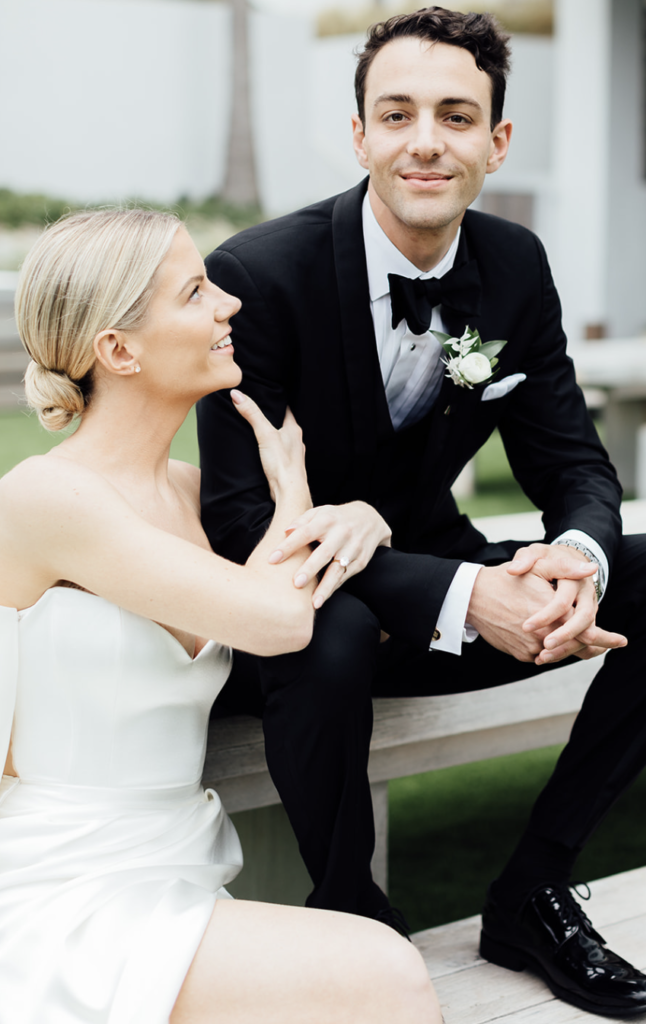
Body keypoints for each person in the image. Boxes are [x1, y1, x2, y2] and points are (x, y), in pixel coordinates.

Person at [197, 7, 646, 1018]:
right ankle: (352, 913)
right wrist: (462, 594)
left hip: (434, 594)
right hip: (294, 630)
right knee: (326, 626)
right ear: (357, 135)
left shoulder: (513, 264)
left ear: (496, 142)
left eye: (455, 115)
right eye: (395, 114)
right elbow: (237, 524)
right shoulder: (257, 276)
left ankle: (531, 888)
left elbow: (570, 457)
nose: (424, 141)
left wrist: (575, 559)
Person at [0, 208, 441, 1024]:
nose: (228, 305)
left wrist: (361, 518)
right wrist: (295, 484)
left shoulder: (192, 495)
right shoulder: (45, 498)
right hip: (63, 888)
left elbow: (279, 583)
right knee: (390, 975)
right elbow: (279, 620)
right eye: (196, 292)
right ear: (119, 350)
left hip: (178, 865)